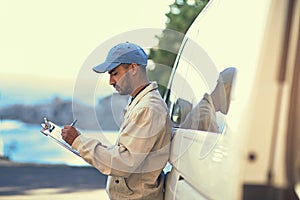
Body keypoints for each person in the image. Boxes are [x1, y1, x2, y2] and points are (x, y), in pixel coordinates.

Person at [61, 42, 172, 199]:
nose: (111, 81)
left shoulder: (147, 108)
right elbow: (126, 154)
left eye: (115, 73)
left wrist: (79, 142)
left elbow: (125, 162)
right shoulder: (140, 103)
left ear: (133, 68)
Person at [180, 67, 236, 132]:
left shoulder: (204, 109)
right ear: (226, 88)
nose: (233, 99)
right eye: (233, 93)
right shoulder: (206, 116)